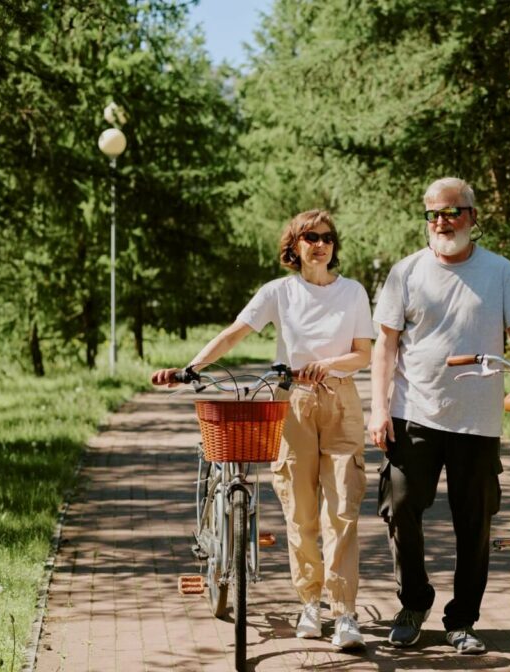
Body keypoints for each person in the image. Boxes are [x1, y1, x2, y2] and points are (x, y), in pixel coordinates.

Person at [151, 209, 374, 650]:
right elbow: (236, 333)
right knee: (301, 512)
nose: (321, 244)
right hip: (289, 403)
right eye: (310, 236)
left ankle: (344, 612)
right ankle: (310, 603)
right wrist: (191, 369)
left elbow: (362, 354)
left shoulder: (353, 292)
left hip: (340, 401)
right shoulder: (279, 292)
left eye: (327, 237)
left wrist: (326, 365)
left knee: (343, 508)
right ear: (294, 246)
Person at [367, 177, 510, 655]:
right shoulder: (405, 273)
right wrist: (378, 408)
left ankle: (462, 619)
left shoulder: (501, 271)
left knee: (475, 523)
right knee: (400, 507)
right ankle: (413, 603)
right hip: (414, 413)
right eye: (433, 214)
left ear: (473, 216)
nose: (442, 222)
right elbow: (384, 346)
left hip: (477, 420)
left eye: (452, 212)